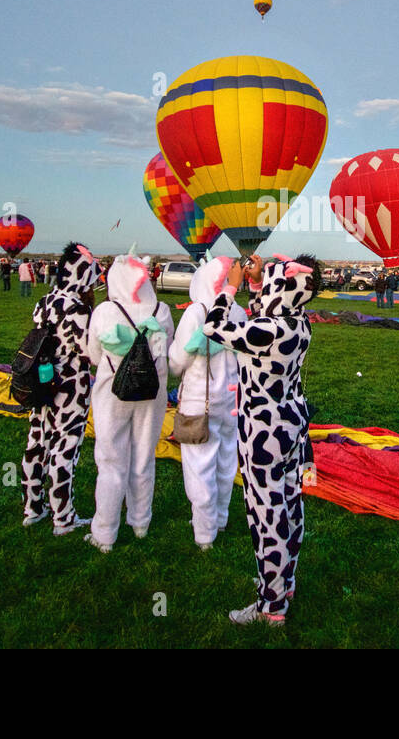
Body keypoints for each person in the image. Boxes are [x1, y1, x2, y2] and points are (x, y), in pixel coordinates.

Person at [201, 254, 319, 625]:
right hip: (293, 426)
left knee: (266, 517)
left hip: (262, 433)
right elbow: (264, 312)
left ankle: (271, 607)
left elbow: (213, 327)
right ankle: (284, 581)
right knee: (289, 507)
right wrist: (256, 284)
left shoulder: (269, 330)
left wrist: (232, 286)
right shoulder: (297, 323)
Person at [81, 251, 174, 552]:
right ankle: (140, 522)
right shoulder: (161, 310)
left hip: (113, 391)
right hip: (152, 392)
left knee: (111, 461)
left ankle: (105, 533)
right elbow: (166, 355)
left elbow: (93, 355)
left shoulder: (106, 311)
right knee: (144, 455)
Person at [21, 242, 101, 536]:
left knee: (37, 443)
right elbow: (88, 351)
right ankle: (63, 518)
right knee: (64, 448)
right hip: (69, 387)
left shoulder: (43, 302)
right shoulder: (77, 309)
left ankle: (33, 508)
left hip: (41, 382)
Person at [169, 255, 242, 551]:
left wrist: (187, 349)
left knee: (199, 465)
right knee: (226, 459)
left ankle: (204, 532)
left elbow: (177, 363)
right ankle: (220, 518)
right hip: (232, 397)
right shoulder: (237, 310)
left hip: (201, 399)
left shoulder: (196, 312)